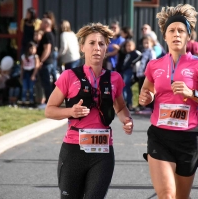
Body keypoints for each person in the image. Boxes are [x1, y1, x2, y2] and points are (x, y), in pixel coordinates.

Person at [138, 4, 198, 199]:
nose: (176, 34)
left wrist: (192, 93)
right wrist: (146, 97)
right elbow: (145, 91)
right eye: (171, 30)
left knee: (180, 197)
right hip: (160, 135)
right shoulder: (154, 65)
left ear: (188, 36)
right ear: (164, 36)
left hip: (188, 138)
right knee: (167, 195)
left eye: (181, 31)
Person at [44, 22, 133, 198]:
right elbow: (49, 110)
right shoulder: (69, 76)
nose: (97, 48)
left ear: (107, 48)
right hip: (73, 151)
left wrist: (126, 120)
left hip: (102, 152)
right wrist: (70, 112)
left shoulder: (114, 78)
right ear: (82, 47)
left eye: (101, 43)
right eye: (91, 43)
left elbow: (121, 106)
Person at [37, 18, 55, 109]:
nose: (40, 25)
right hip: (49, 63)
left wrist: (41, 61)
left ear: (46, 25)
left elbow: (47, 49)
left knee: (46, 83)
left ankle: (49, 104)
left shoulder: (47, 35)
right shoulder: (49, 34)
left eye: (42, 23)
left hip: (46, 63)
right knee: (48, 83)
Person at [122, 40, 142, 111]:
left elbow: (140, 56)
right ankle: (127, 103)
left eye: (130, 45)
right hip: (125, 71)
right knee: (125, 87)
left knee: (126, 85)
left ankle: (129, 104)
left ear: (134, 46)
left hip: (130, 71)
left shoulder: (135, 52)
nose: (128, 47)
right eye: (127, 46)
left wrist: (133, 63)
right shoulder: (127, 54)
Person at [20, 42, 40, 106]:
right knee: (24, 88)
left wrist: (34, 75)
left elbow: (37, 66)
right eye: (31, 48)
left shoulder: (35, 56)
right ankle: (23, 100)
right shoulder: (24, 56)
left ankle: (31, 100)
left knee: (31, 88)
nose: (33, 50)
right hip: (26, 72)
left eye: (34, 48)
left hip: (32, 72)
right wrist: (21, 75)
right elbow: (22, 67)